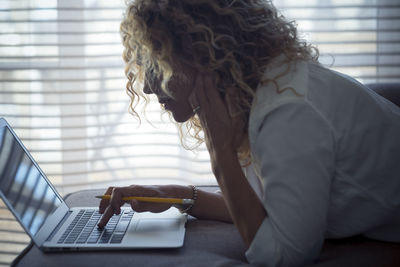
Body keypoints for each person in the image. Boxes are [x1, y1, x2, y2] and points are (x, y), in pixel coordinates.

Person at [97, 0, 400, 266]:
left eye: (155, 63)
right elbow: (262, 204)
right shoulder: (253, 96)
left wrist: (220, 153)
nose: (147, 87)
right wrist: (175, 196)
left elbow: (283, 255)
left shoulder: (287, 112)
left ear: (201, 53)